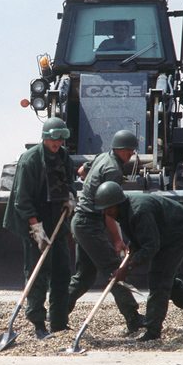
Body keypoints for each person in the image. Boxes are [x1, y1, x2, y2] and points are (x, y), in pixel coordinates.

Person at [97, 181, 183, 342]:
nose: (107, 212)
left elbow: (151, 247)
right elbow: (140, 234)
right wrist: (133, 247)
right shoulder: (121, 211)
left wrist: (128, 267)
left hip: (178, 231)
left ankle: (153, 331)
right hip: (162, 233)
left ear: (118, 203)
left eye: (109, 208)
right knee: (166, 280)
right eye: (104, 209)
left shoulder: (138, 211)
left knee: (158, 279)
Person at [3, 117, 76, 340]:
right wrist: (36, 229)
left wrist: (69, 198)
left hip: (56, 222)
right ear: (45, 137)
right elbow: (22, 200)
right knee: (37, 275)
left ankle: (59, 323)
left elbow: (69, 185)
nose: (58, 144)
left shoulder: (64, 157)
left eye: (61, 139)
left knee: (62, 273)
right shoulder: (30, 160)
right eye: (54, 139)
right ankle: (38, 324)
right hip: (33, 222)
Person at [68, 130, 145, 335]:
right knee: (114, 270)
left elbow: (82, 171)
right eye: (128, 149)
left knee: (84, 276)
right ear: (119, 149)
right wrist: (118, 239)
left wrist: (90, 191)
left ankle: (57, 313)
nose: (131, 153)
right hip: (90, 224)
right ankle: (133, 318)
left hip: (80, 221)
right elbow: (110, 211)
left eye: (132, 150)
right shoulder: (113, 171)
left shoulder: (103, 157)